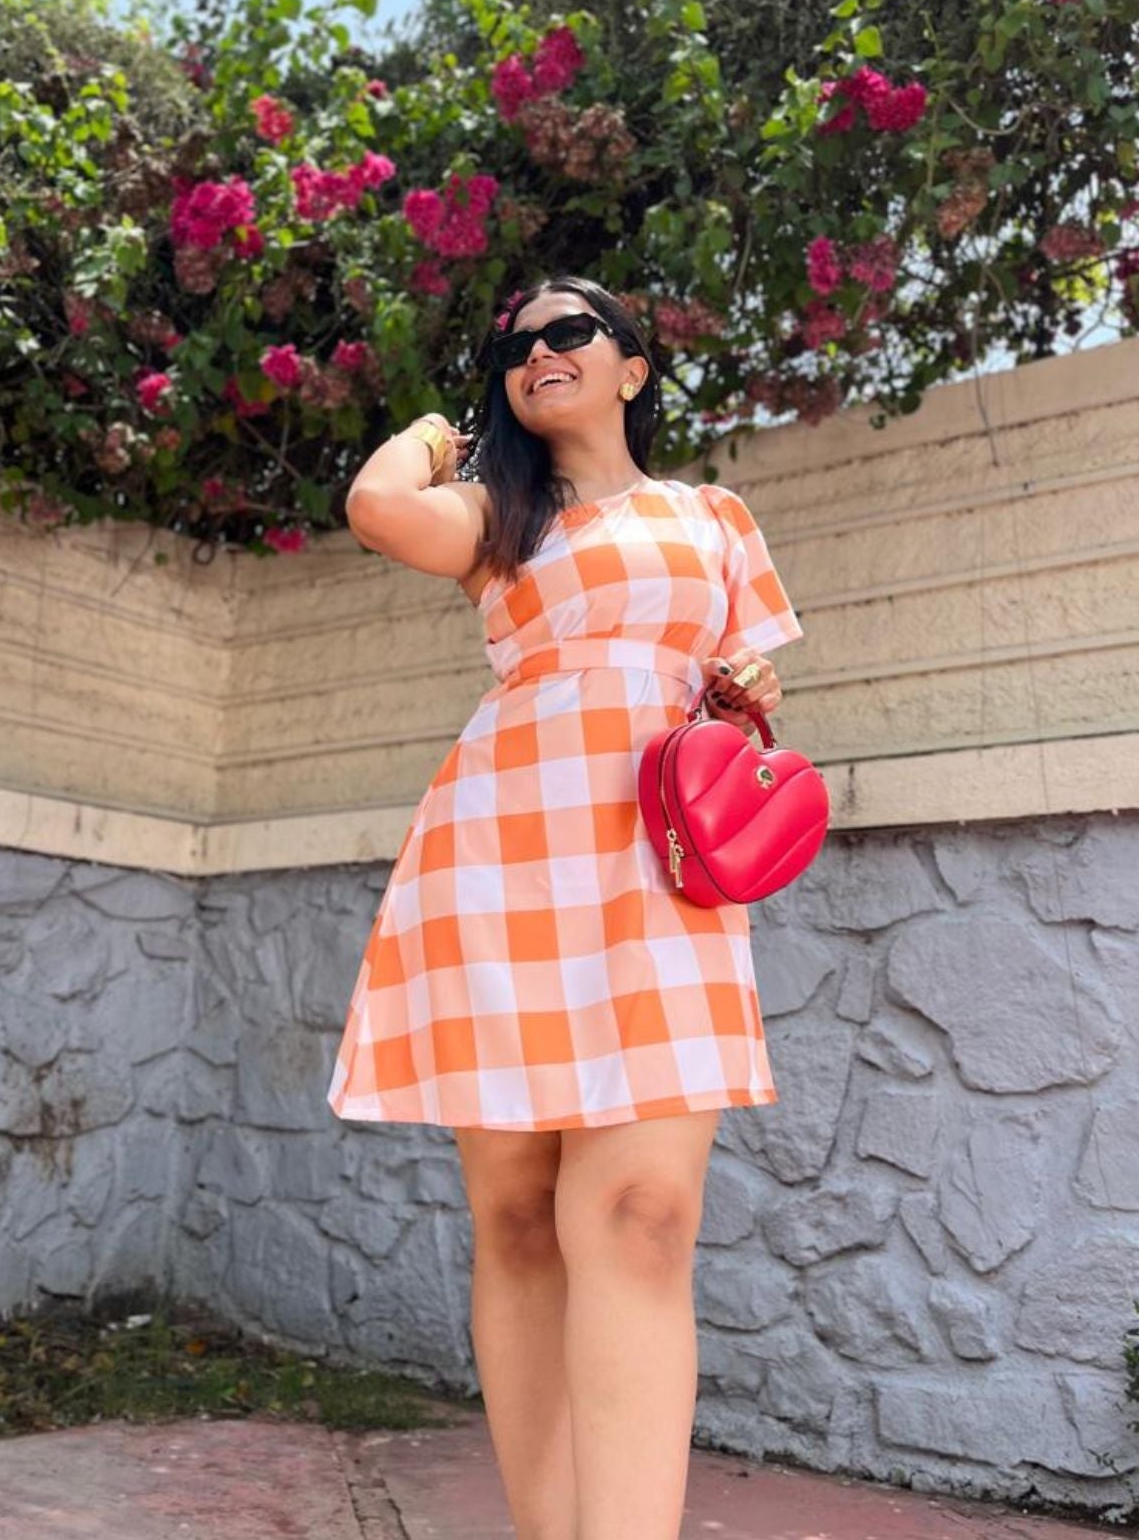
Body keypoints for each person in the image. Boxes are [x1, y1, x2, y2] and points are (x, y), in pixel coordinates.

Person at [328, 275, 802, 1540]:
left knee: (642, 1216)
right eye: (517, 342)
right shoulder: (498, 512)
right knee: (520, 1218)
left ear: (632, 368)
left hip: (660, 875)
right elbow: (376, 507)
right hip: (502, 862)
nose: (541, 349)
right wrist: (438, 431)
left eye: (571, 330)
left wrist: (745, 689)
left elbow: (741, 679)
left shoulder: (712, 516)